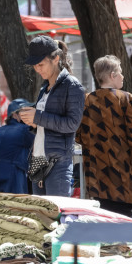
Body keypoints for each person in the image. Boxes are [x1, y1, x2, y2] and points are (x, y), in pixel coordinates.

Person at [76, 55, 132, 216]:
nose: (123, 76)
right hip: (123, 176)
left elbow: (79, 136)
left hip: (97, 176)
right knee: (123, 220)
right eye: (120, 72)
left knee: (104, 219)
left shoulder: (87, 101)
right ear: (112, 75)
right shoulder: (127, 100)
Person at [19, 35, 85, 197]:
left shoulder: (72, 85)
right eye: (35, 65)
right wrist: (33, 122)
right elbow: (45, 124)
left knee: (56, 211)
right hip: (38, 160)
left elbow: (72, 124)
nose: (37, 69)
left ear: (56, 59)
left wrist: (38, 117)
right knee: (39, 212)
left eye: (41, 64)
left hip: (58, 163)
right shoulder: (45, 88)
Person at [0, 99, 35, 195]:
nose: (28, 114)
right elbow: (42, 147)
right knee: (16, 204)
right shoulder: (25, 130)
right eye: (24, 112)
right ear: (14, 115)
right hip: (10, 175)